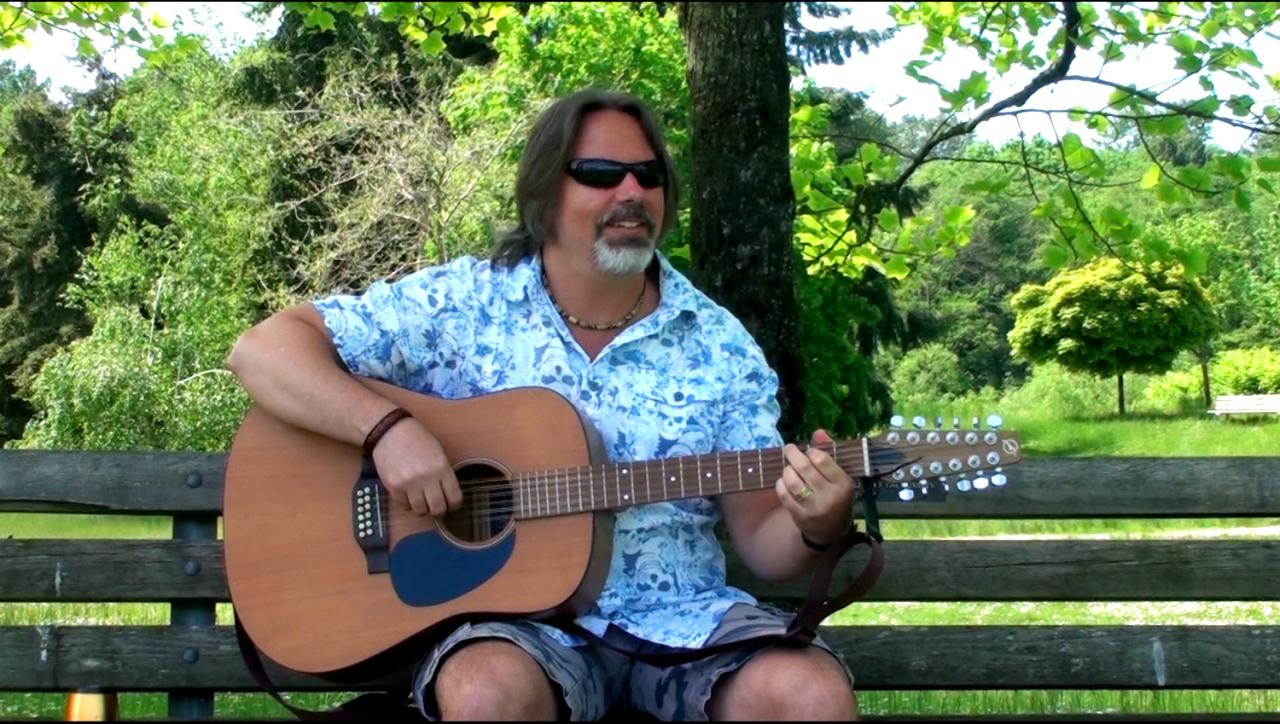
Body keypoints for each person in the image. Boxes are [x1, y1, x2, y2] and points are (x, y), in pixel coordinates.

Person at [227, 88, 860, 721]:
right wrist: (387, 431)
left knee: (811, 695)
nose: (633, 191)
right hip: (518, 625)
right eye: (601, 173)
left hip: (683, 624)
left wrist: (817, 522)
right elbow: (261, 351)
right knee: (483, 690)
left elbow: (764, 543)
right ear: (545, 189)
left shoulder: (719, 343)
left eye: (649, 174)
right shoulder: (465, 304)